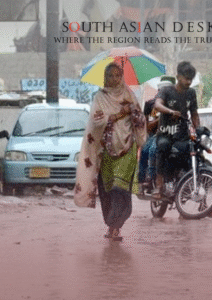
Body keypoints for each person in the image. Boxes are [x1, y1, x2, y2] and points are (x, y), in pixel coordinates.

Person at [74, 62, 146, 241]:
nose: (114, 79)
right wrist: (117, 115)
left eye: (117, 75)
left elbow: (140, 119)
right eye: (110, 75)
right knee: (107, 191)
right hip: (106, 151)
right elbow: (95, 121)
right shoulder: (100, 97)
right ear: (105, 78)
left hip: (127, 149)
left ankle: (116, 227)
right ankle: (111, 224)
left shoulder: (129, 95)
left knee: (120, 190)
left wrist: (132, 112)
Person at [152, 61, 200, 198]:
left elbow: (194, 114)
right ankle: (159, 185)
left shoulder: (191, 93)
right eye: (186, 78)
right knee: (163, 146)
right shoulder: (167, 90)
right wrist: (170, 111)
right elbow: (157, 105)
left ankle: (185, 186)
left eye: (191, 79)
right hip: (166, 134)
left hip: (182, 135)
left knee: (191, 152)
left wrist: (197, 129)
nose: (189, 82)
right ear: (178, 76)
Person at [137, 76, 176, 192]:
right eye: (162, 90)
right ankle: (145, 180)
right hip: (155, 135)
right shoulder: (150, 105)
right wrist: (161, 119)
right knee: (146, 150)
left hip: (172, 134)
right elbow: (147, 127)